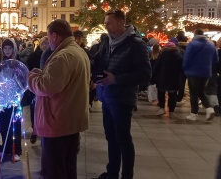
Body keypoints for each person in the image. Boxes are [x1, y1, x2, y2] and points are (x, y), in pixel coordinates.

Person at [27, 19, 90, 179]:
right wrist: (40, 73)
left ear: (54, 36)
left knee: (54, 170)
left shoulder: (63, 56)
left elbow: (46, 87)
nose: (48, 42)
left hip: (57, 122)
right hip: (69, 121)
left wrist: (30, 78)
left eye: (48, 37)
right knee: (68, 168)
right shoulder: (77, 51)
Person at [93, 10, 151, 179]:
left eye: (109, 23)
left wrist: (116, 79)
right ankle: (112, 172)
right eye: (106, 23)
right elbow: (97, 61)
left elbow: (145, 74)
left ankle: (126, 175)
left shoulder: (136, 44)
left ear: (120, 23)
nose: (106, 27)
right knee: (110, 136)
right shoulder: (106, 42)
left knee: (123, 138)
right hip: (106, 96)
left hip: (122, 98)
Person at [0, 38, 23, 162]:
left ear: (14, 49)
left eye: (10, 48)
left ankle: (16, 150)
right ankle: (5, 147)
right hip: (1, 100)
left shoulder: (18, 63)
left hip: (14, 99)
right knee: (3, 125)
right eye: (5, 48)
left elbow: (22, 79)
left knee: (14, 125)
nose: (7, 50)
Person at [183, 28, 217, 121]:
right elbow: (215, 60)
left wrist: (185, 68)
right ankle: (209, 109)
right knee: (201, 91)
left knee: (193, 92)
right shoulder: (211, 46)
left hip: (193, 72)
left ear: (195, 34)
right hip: (206, 72)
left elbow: (187, 58)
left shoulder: (192, 44)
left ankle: (194, 114)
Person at [25, 36, 48, 144]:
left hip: (47, 89)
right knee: (34, 110)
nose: (46, 46)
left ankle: (44, 132)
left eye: (48, 44)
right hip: (35, 89)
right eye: (44, 44)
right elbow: (29, 71)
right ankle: (35, 131)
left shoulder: (54, 55)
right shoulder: (33, 56)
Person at [152, 42, 183, 117]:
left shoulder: (162, 55)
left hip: (163, 76)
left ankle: (162, 108)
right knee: (172, 94)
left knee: (161, 93)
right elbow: (182, 68)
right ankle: (171, 111)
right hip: (174, 77)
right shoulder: (179, 55)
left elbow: (157, 66)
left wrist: (153, 76)